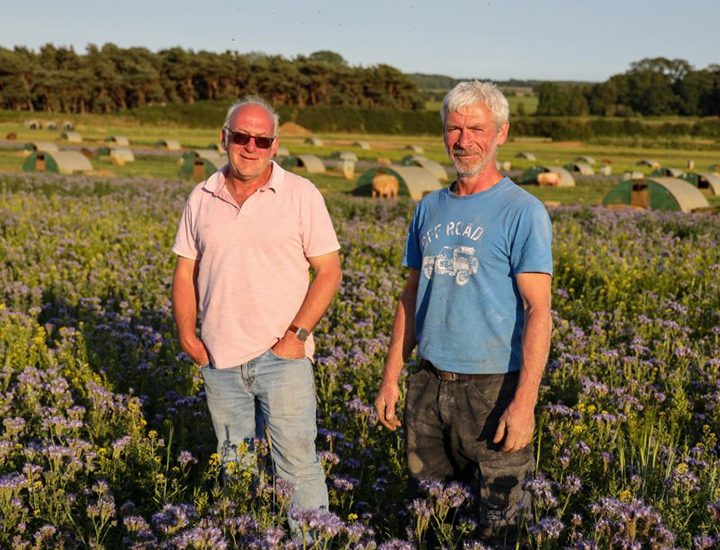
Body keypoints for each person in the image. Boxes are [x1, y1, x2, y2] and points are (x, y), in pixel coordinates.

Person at [374, 81, 553, 547]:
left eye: (476, 128)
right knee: (430, 522)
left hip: (493, 389)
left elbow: (539, 311)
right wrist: (392, 375)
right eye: (454, 128)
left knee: (499, 528)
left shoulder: (523, 211)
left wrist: (525, 401)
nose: (464, 139)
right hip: (428, 385)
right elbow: (410, 296)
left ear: (501, 133)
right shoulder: (428, 208)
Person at [171, 96, 342, 531]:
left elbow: (328, 271)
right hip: (220, 361)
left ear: (275, 144)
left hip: (281, 359)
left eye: (261, 140)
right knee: (236, 469)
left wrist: (296, 337)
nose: (251, 147)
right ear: (224, 138)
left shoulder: (301, 194)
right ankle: (250, 538)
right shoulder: (201, 195)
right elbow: (185, 268)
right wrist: (187, 335)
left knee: (298, 468)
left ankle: (310, 541)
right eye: (242, 137)